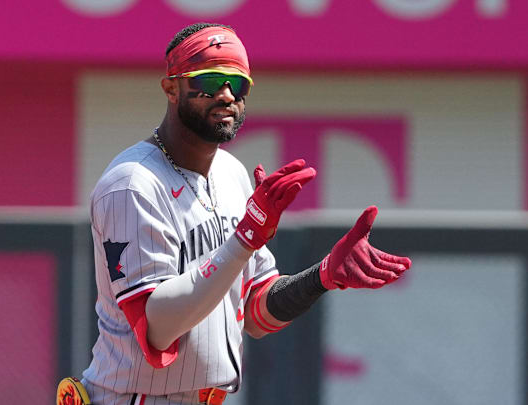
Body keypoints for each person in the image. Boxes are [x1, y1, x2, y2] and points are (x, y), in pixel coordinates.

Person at [57, 22, 411, 405]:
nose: (226, 94)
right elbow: (156, 327)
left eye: (237, 84)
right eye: (209, 81)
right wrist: (244, 239)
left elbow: (258, 311)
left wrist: (321, 276)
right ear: (171, 88)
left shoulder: (231, 174)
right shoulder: (132, 184)